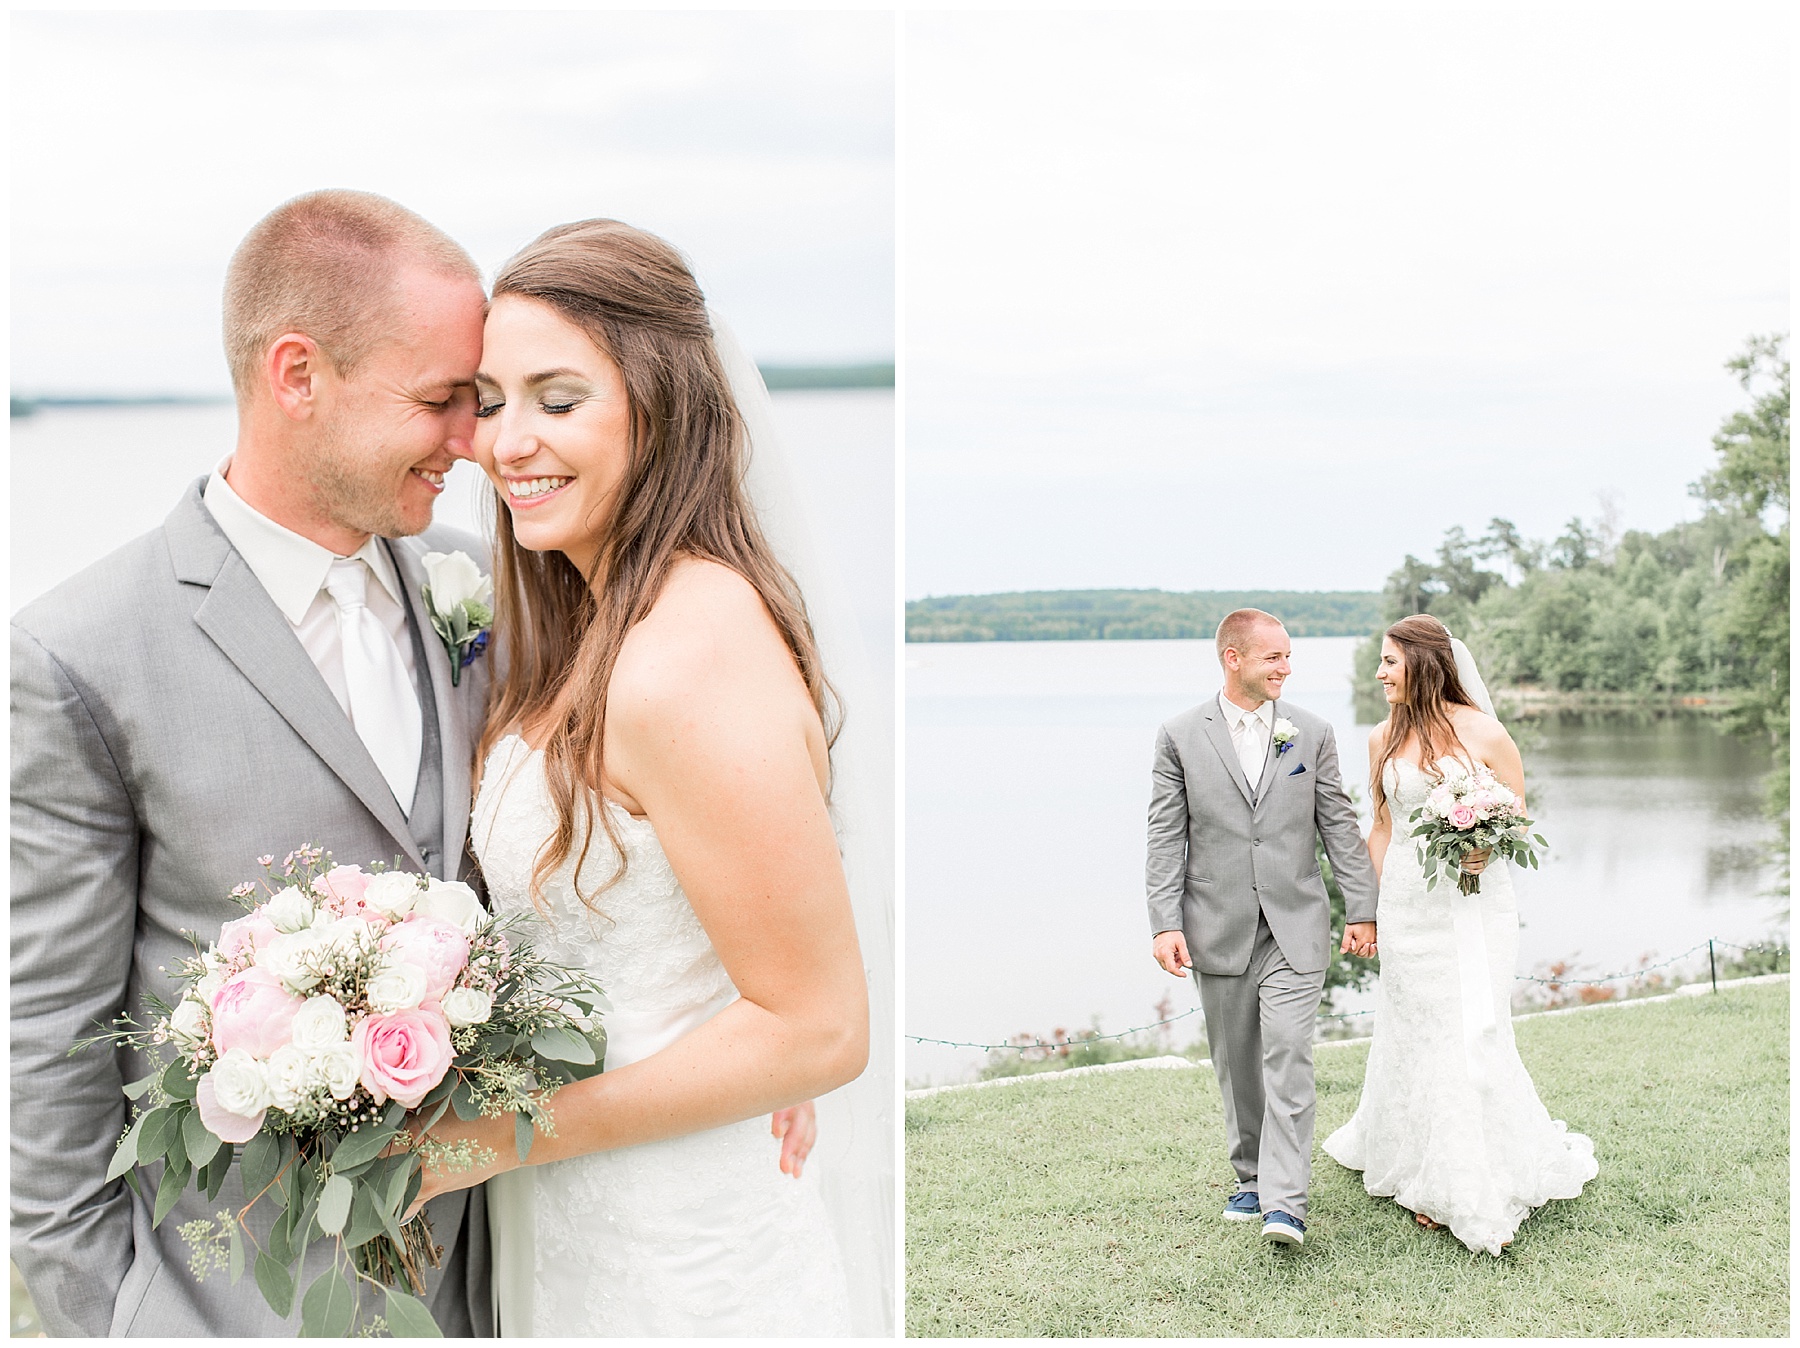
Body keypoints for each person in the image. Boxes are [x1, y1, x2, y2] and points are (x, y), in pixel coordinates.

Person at [11, 189, 496, 1335]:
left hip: (507, 1290)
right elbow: (47, 1055)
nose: (474, 441)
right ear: (296, 375)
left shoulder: (490, 587)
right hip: (242, 1304)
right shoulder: (80, 652)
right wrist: (128, 1322)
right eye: (440, 400)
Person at [402, 219, 870, 1336]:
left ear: (658, 407)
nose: (509, 442)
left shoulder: (689, 646)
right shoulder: (598, 619)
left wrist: (499, 1135)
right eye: (491, 399)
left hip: (685, 1254)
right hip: (589, 1225)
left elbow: (819, 1029)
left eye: (559, 400)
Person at [1322, 614, 1597, 1255]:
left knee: (1469, 1026)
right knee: (1415, 1028)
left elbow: (1519, 817)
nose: (1380, 672)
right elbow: (1383, 829)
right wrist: (1363, 912)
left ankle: (1460, 1178)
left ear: (1422, 662)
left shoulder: (1485, 732)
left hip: (1476, 906)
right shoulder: (1381, 738)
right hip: (1407, 907)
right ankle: (1415, 1154)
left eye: (1390, 661)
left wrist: (1485, 848)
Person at [1145, 608, 1378, 1248]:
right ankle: (1249, 1175)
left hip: (1294, 925)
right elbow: (1166, 838)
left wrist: (1362, 908)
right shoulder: (1179, 736)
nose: (1286, 668)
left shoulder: (1312, 733)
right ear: (1234, 659)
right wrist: (1165, 922)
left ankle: (1286, 1203)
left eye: (1288, 656)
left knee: (1288, 1056)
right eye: (1273, 657)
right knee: (1238, 1063)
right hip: (1216, 927)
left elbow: (1338, 825)